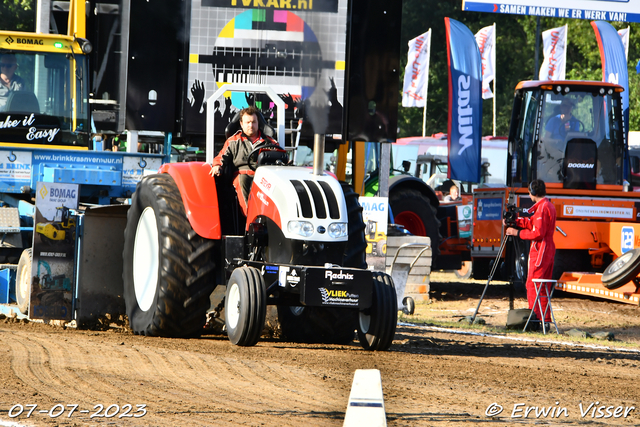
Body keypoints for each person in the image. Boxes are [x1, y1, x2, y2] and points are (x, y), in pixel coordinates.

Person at [504, 179, 557, 327]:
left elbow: (538, 233)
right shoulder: (548, 205)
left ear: (532, 192)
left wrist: (516, 232)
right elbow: (532, 223)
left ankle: (534, 319)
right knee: (542, 286)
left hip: (540, 249)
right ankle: (544, 319)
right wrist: (517, 221)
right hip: (549, 248)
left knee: (532, 284)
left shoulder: (541, 208)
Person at [209, 106, 277, 216]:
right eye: (248, 122)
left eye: (253, 122)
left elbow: (280, 155)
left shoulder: (269, 142)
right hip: (243, 174)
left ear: (258, 122)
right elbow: (220, 157)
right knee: (242, 179)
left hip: (264, 176)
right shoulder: (233, 141)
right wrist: (217, 166)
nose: (251, 125)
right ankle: (250, 220)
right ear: (241, 124)